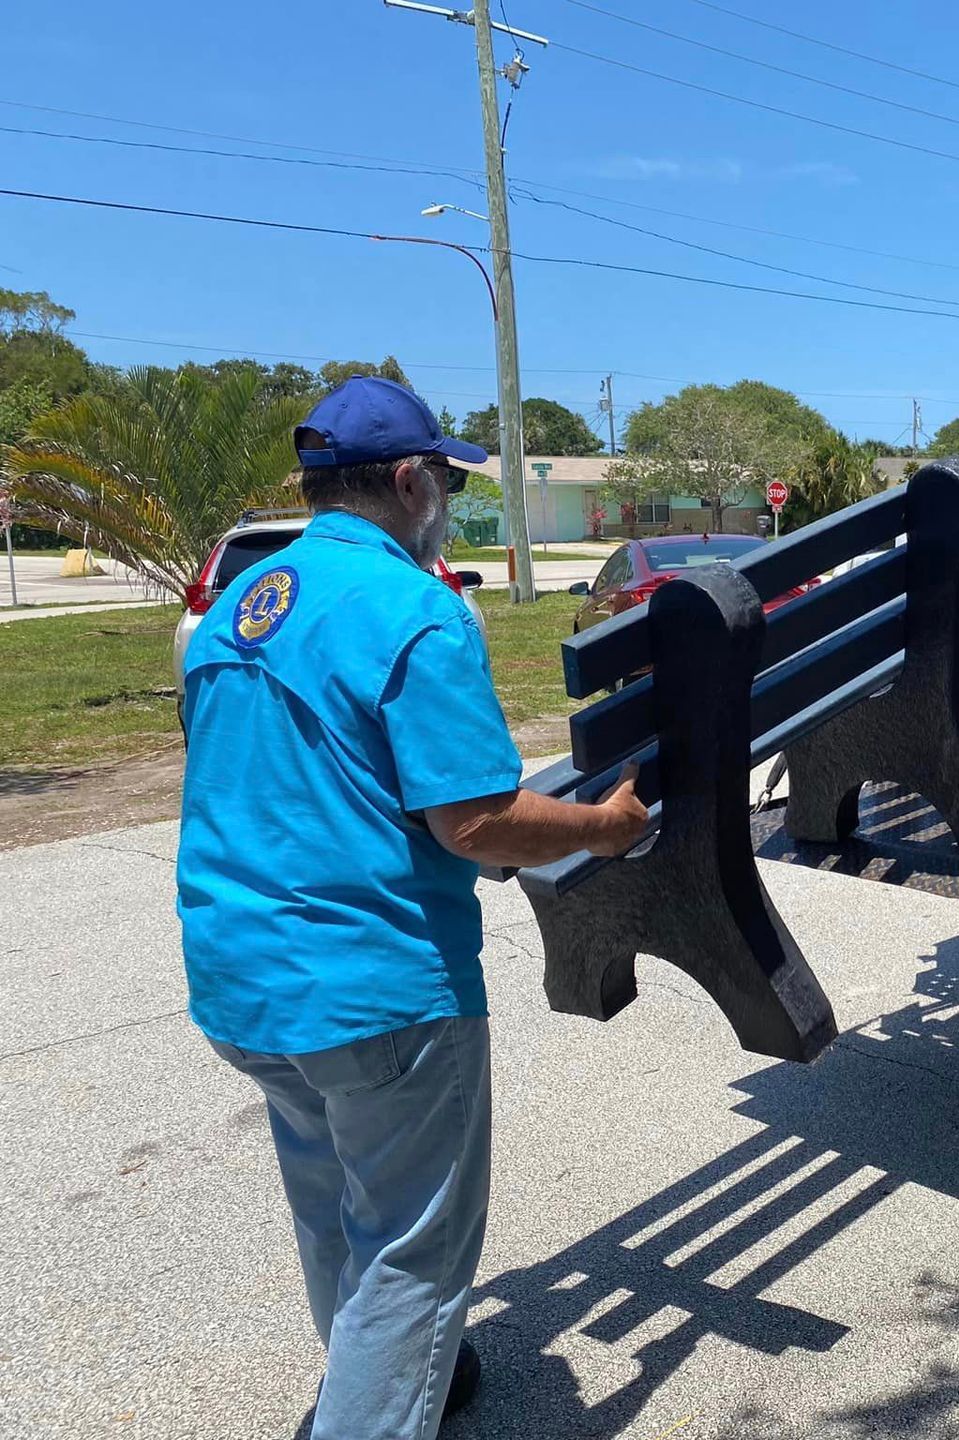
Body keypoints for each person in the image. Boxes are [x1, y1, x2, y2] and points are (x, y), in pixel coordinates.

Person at [175, 377, 651, 1437]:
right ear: (406, 479)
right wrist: (601, 829)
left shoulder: (236, 612)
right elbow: (475, 825)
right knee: (414, 1255)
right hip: (379, 991)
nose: (446, 494)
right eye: (443, 474)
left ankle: (389, 1381)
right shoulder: (416, 609)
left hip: (243, 980)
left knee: (335, 1213)